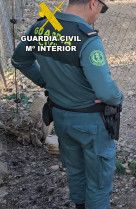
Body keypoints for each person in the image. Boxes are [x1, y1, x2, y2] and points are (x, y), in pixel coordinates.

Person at [11, 0, 123, 208]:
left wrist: (47, 81)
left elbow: (19, 60)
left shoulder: (39, 28)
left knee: (76, 170)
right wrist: (118, 98)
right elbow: (106, 92)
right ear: (92, 4)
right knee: (98, 182)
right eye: (102, 8)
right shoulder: (87, 39)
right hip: (91, 122)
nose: (100, 14)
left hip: (60, 117)